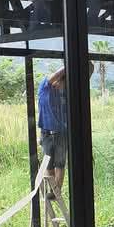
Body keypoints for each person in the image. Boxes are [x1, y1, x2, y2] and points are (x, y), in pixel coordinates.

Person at [38, 66, 68, 194]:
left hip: (61, 133)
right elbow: (56, 74)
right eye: (62, 84)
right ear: (58, 80)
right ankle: (52, 189)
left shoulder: (63, 94)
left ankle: (56, 192)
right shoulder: (45, 87)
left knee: (60, 164)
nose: (62, 87)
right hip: (46, 133)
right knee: (48, 165)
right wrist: (70, 64)